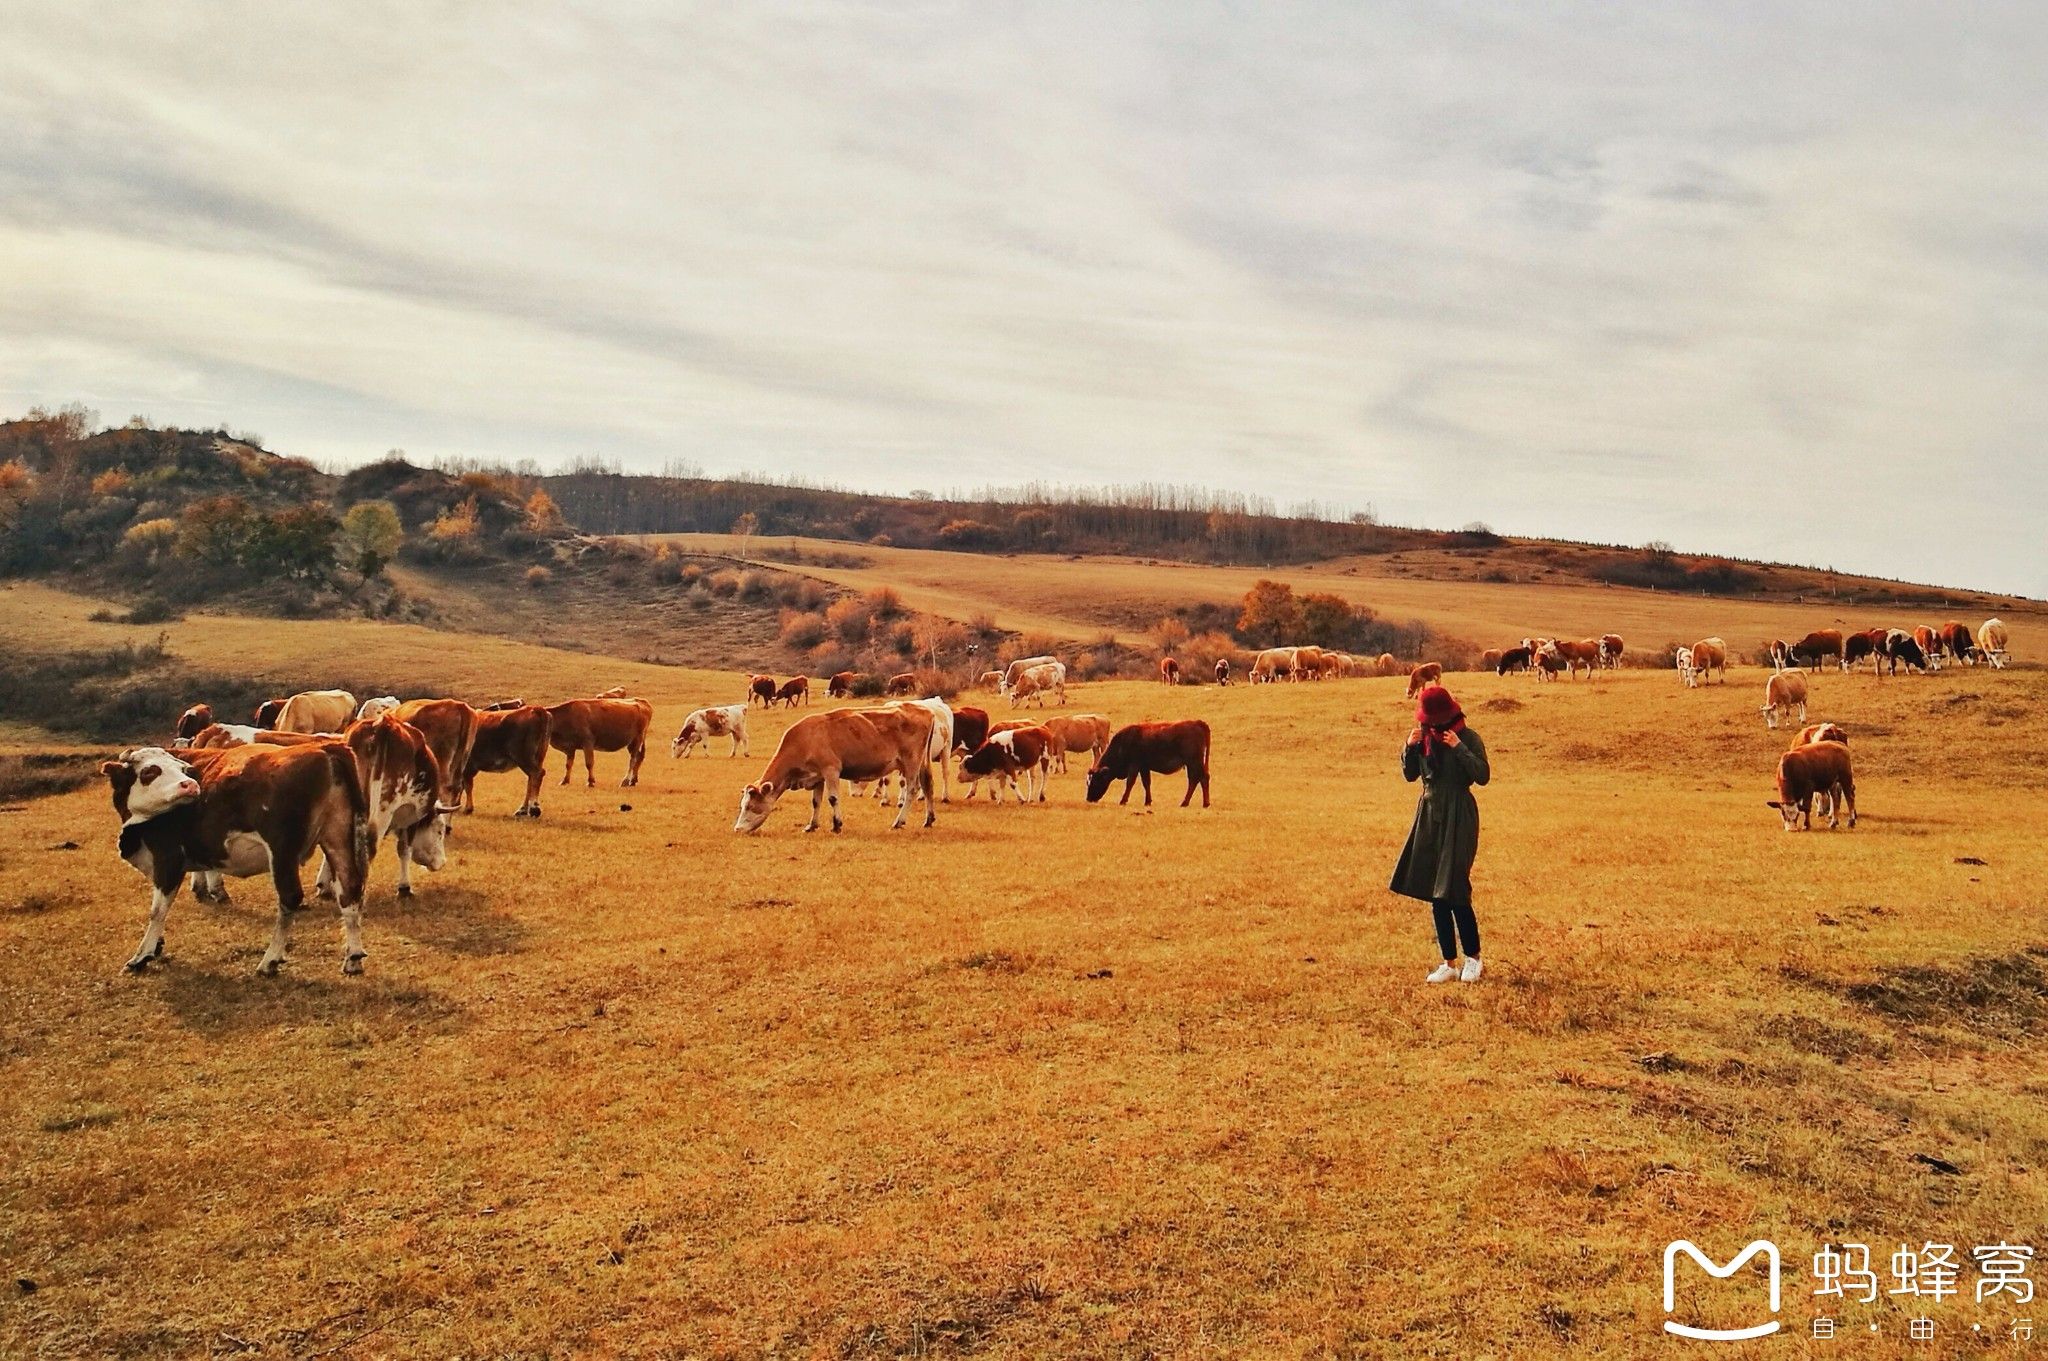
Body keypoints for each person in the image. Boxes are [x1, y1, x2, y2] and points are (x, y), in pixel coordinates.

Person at [1390, 683, 1491, 983]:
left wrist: (1458, 747)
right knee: (1436, 890)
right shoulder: (1422, 738)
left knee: (1455, 887)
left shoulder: (1468, 737)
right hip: (1430, 813)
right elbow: (1410, 776)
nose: (1430, 724)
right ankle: (1448, 962)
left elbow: (1482, 775)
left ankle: (1473, 958)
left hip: (1459, 813)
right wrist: (1408, 749)